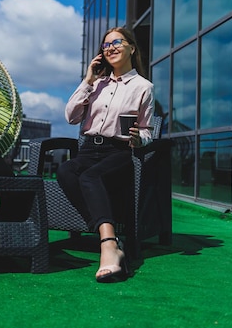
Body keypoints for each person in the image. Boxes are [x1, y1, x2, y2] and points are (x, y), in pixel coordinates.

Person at [57, 26, 154, 282]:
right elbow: (70, 117)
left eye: (116, 42)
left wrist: (137, 138)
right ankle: (108, 237)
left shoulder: (143, 87)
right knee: (66, 170)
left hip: (119, 151)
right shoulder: (96, 84)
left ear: (131, 48)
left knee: (89, 177)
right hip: (89, 148)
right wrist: (88, 80)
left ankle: (109, 247)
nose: (109, 48)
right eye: (105, 45)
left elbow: (148, 131)